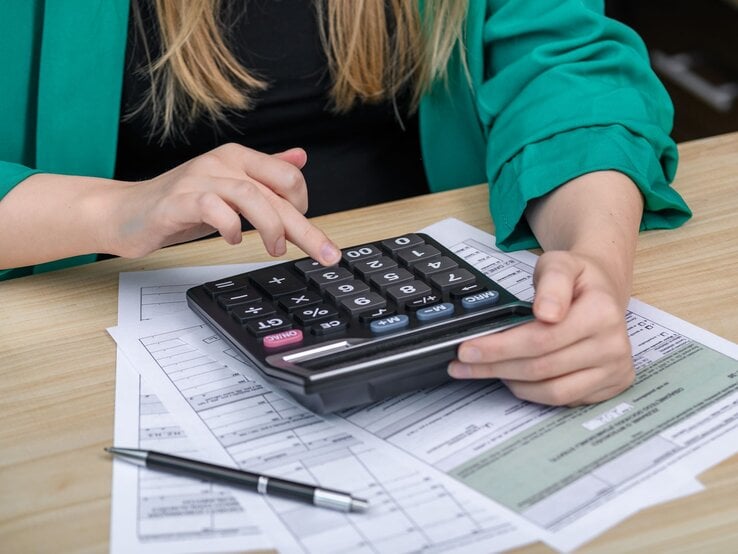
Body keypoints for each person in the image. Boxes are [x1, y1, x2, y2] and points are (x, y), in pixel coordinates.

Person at [0, 0, 690, 406]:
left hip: (426, 310)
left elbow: (563, 66)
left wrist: (594, 260)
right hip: (93, 337)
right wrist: (115, 210)